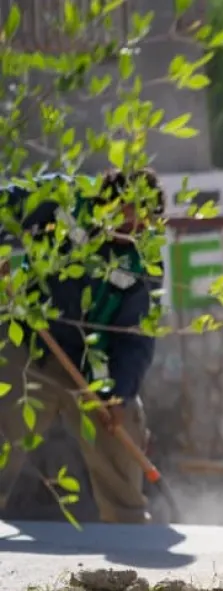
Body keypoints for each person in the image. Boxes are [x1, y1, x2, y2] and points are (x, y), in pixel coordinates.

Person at [0, 168, 166, 524]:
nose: (131, 231)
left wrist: (119, 394)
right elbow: (7, 205)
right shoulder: (63, 199)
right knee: (4, 422)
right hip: (31, 339)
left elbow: (135, 337)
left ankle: (128, 526)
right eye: (124, 221)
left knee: (122, 428)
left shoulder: (143, 263)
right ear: (105, 202)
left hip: (94, 361)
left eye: (140, 226)